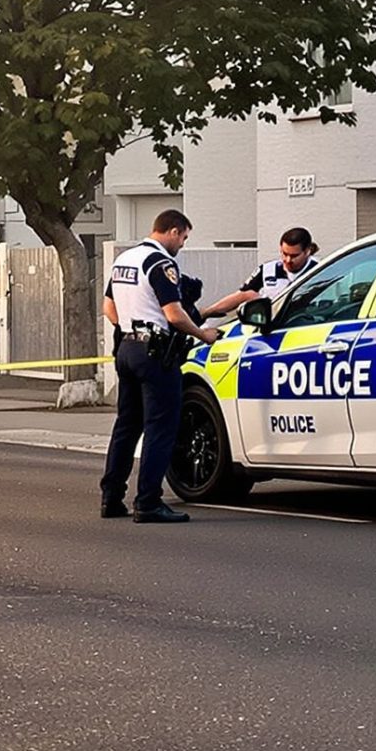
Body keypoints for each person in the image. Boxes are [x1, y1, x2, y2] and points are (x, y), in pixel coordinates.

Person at [100, 209, 220, 524]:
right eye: (182, 237)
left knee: (126, 427)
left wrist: (131, 328)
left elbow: (108, 308)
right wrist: (202, 334)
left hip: (127, 348)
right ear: (172, 230)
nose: (181, 244)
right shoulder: (161, 263)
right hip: (154, 354)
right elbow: (174, 314)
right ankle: (148, 502)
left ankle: (111, 498)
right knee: (160, 428)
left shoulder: (125, 260)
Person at [203, 227, 318, 320]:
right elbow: (242, 296)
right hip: (272, 327)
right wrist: (206, 313)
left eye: (294, 256)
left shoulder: (320, 270)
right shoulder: (268, 269)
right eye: (284, 253)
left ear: (307, 251)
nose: (288, 260)